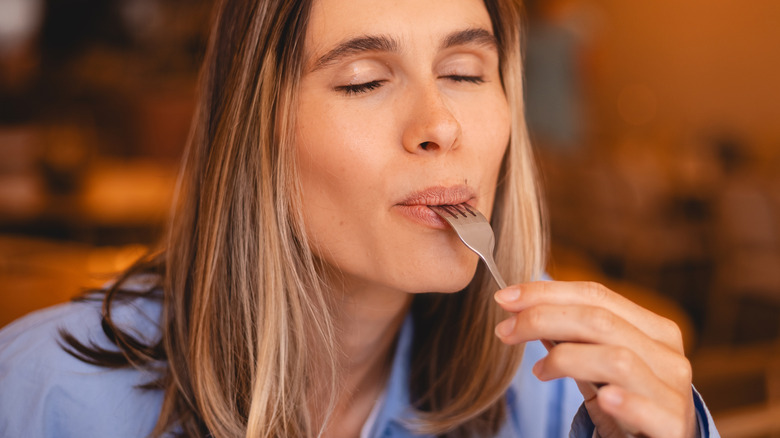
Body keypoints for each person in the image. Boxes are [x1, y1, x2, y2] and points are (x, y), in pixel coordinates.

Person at [0, 0, 719, 437]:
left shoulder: (562, 389)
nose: (439, 124)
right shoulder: (42, 397)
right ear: (254, 133)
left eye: (466, 72)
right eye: (364, 82)